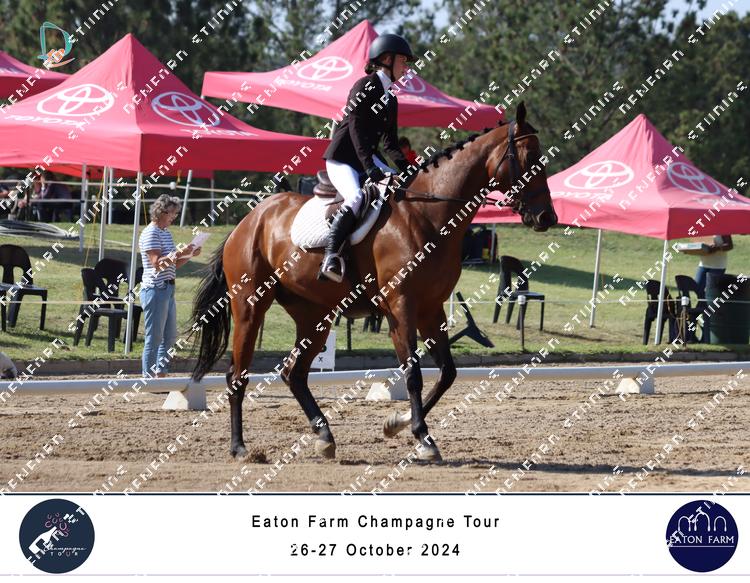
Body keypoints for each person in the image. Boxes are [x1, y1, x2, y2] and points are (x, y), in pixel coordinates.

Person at [319, 33, 414, 282]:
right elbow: (355, 129)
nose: (406, 68)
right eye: (403, 61)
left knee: (397, 186)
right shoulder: (364, 86)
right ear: (386, 59)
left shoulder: (391, 98)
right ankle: (330, 257)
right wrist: (369, 165)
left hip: (367, 158)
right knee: (356, 197)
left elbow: (391, 143)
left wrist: (409, 169)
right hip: (343, 158)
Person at [139, 194, 201, 378]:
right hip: (155, 288)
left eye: (176, 213)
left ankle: (161, 374)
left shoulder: (165, 232)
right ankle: (148, 377)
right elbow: (157, 264)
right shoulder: (151, 233)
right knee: (154, 338)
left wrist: (189, 254)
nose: (174, 217)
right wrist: (180, 252)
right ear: (161, 212)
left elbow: (173, 264)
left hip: (168, 288)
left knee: (170, 337)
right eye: (172, 213)